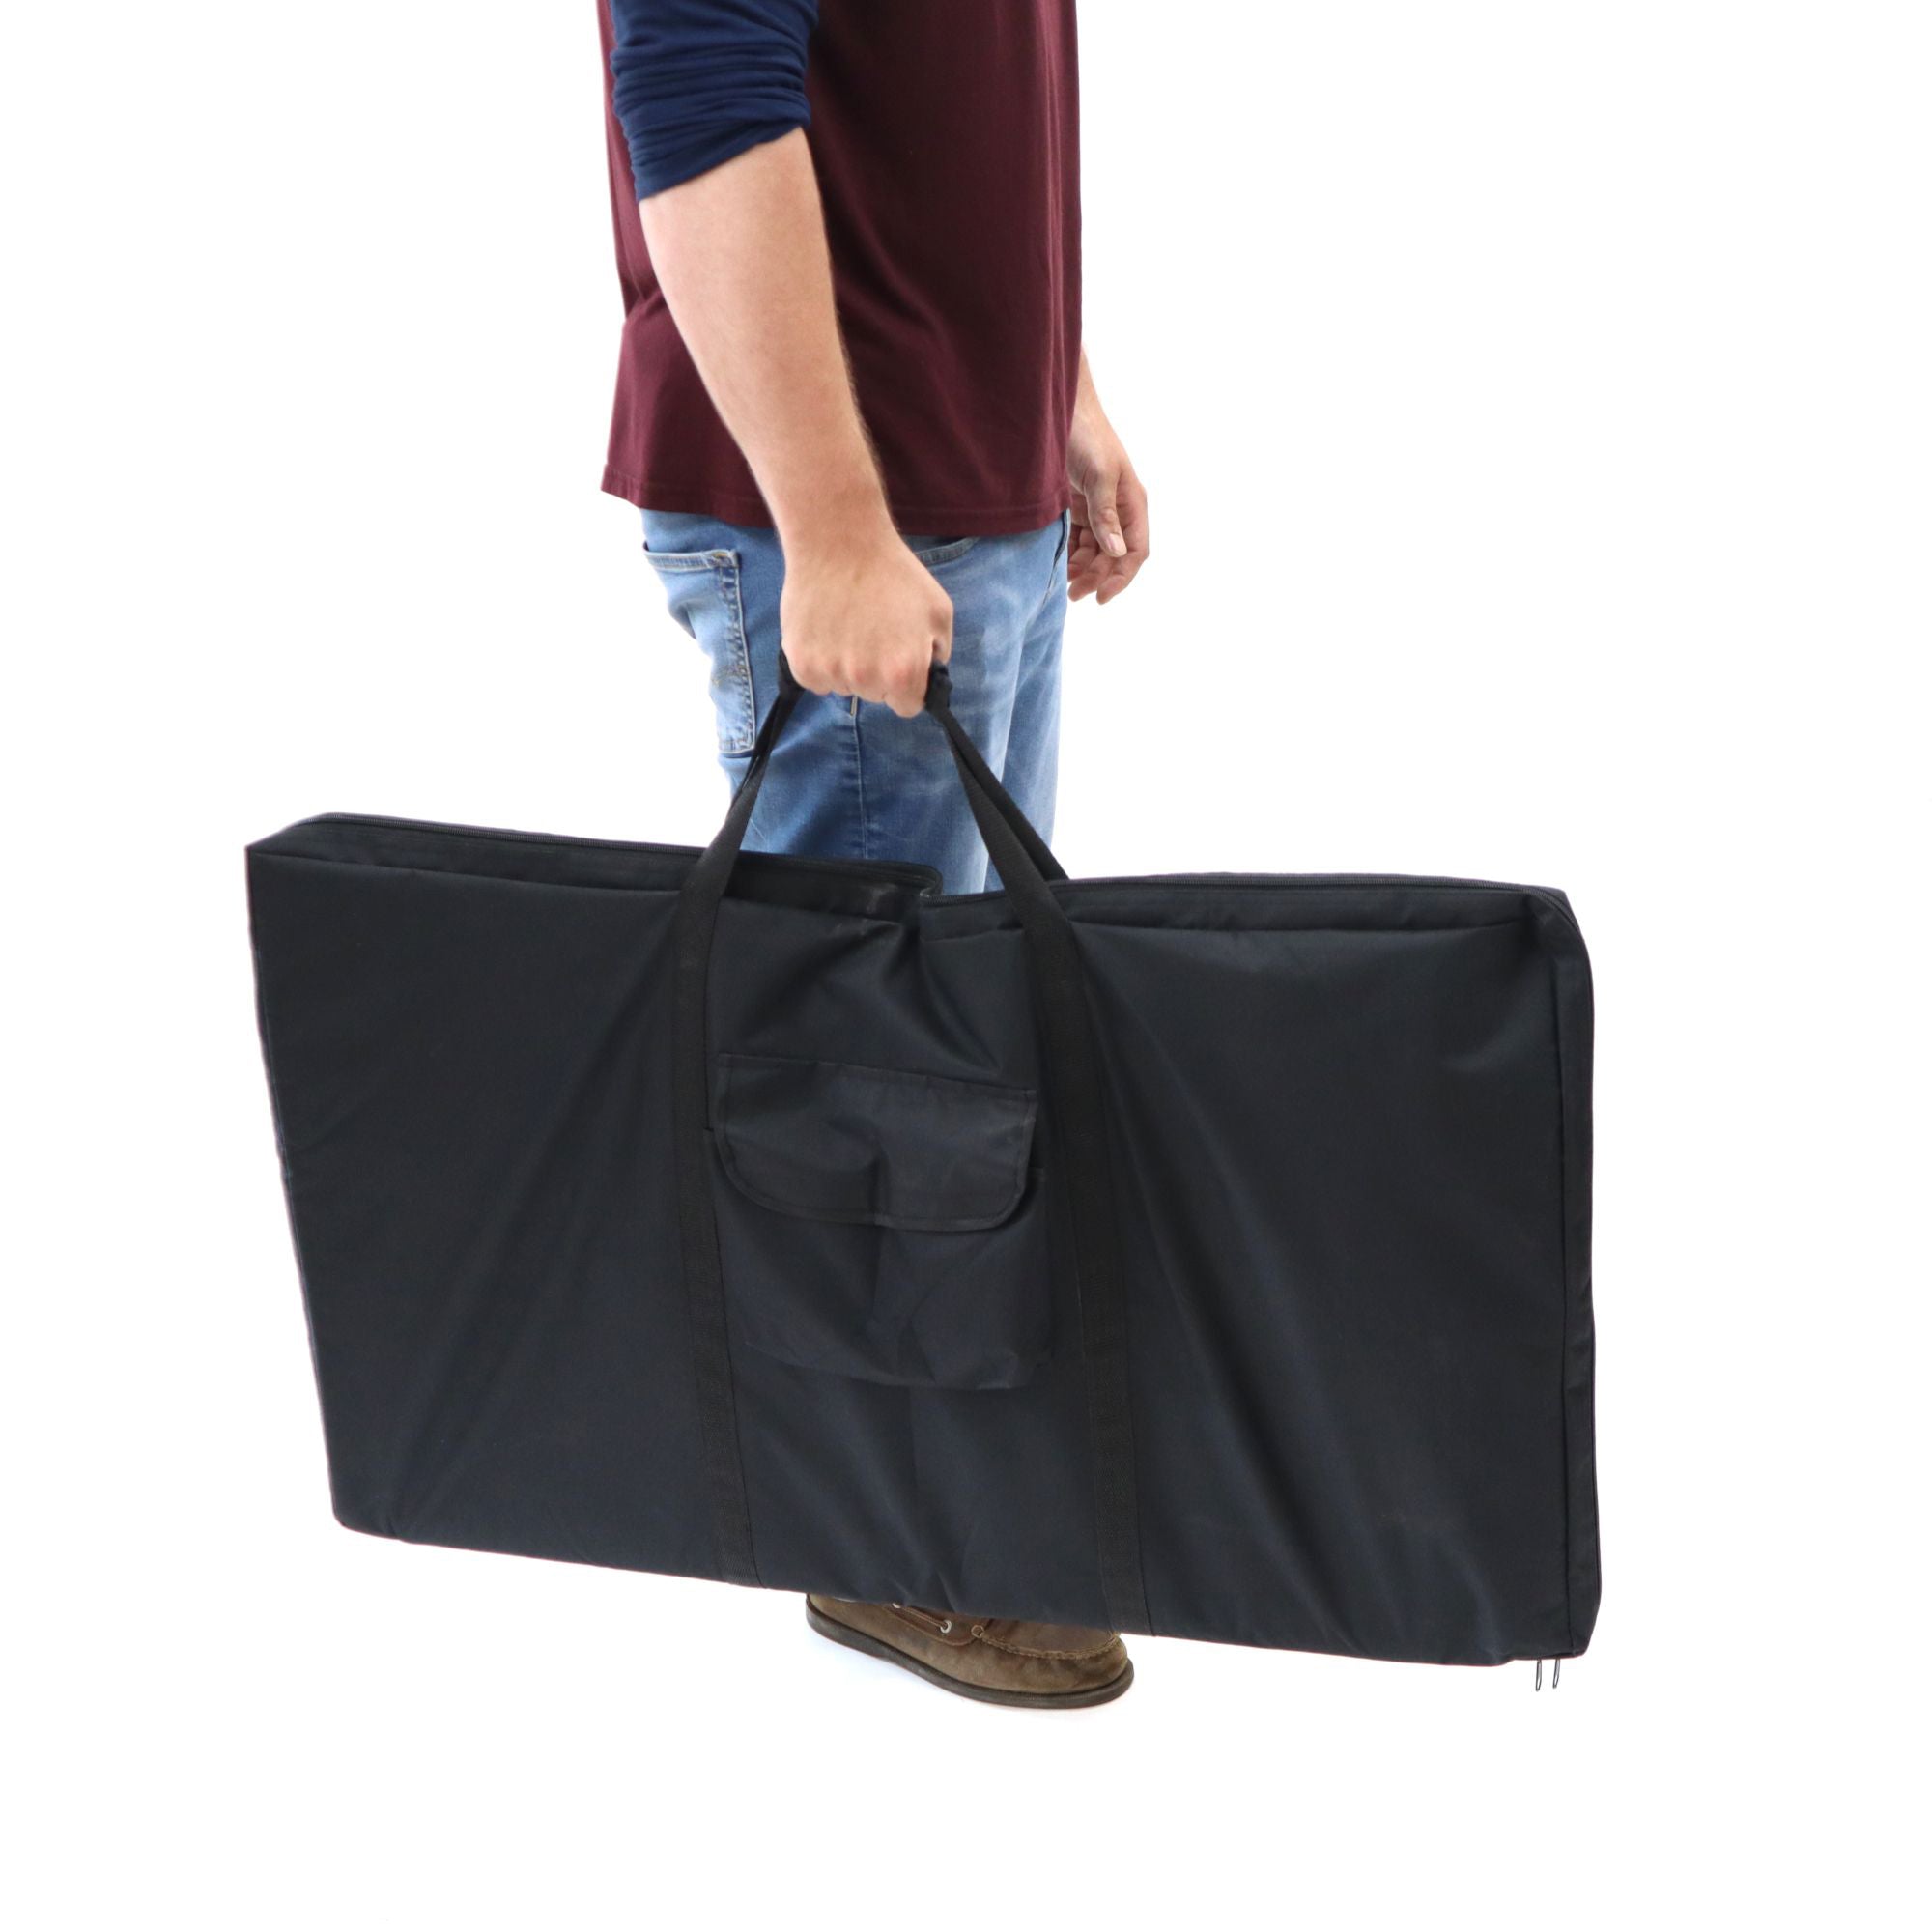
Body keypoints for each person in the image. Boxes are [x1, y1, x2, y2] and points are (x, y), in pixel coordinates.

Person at [598, 0, 1149, 1707]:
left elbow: (956, 98)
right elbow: (697, 101)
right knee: (862, 1067)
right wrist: (833, 527)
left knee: (959, 1043)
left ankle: (932, 1465)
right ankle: (874, 1529)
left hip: (968, 487)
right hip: (851, 509)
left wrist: (1059, 388)